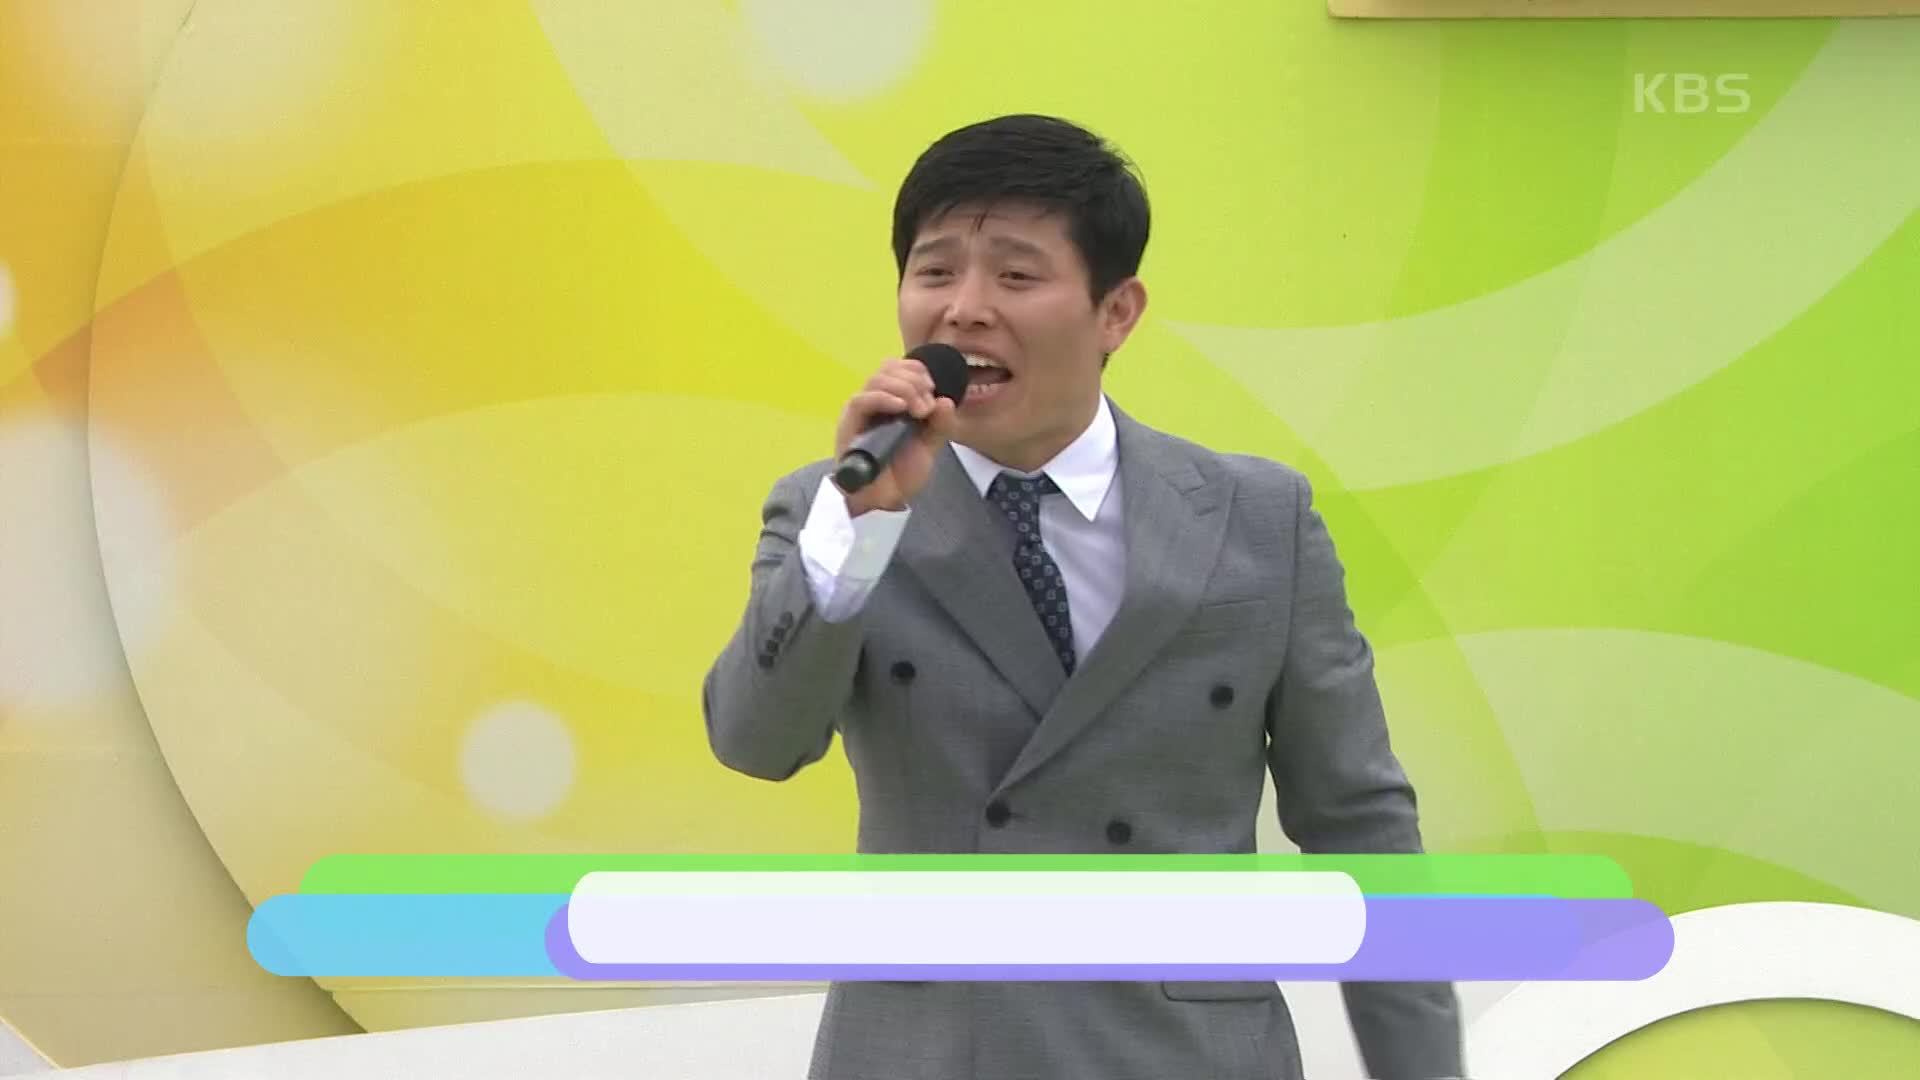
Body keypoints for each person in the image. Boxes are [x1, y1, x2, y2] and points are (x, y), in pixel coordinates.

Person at [702, 113, 1462, 1080]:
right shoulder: (838, 509)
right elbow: (754, 740)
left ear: (1117, 312)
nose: (965, 310)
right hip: (931, 1051)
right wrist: (858, 527)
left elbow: (1361, 826)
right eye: (935, 271)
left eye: (1016, 276)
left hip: (1186, 1055)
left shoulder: (1257, 518)